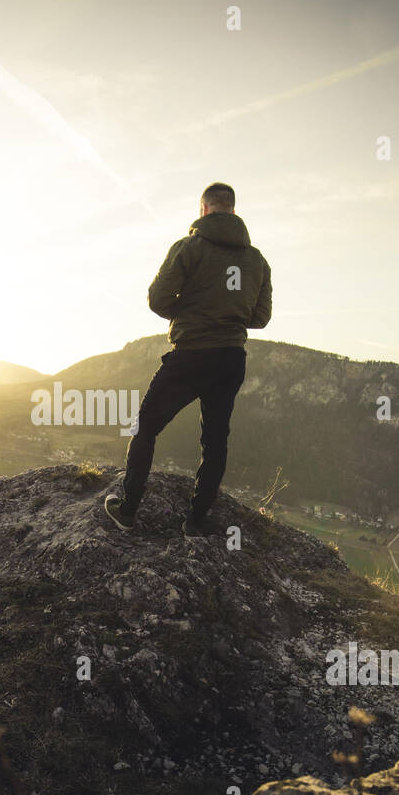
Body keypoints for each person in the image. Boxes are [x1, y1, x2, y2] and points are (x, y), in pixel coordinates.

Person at [104, 182, 272, 536]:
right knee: (214, 440)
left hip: (192, 353)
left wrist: (190, 311)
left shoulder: (189, 247)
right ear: (234, 211)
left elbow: (157, 299)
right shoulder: (257, 261)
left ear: (205, 210)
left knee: (146, 426)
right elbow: (260, 318)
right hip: (231, 358)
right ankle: (196, 521)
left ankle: (128, 509)